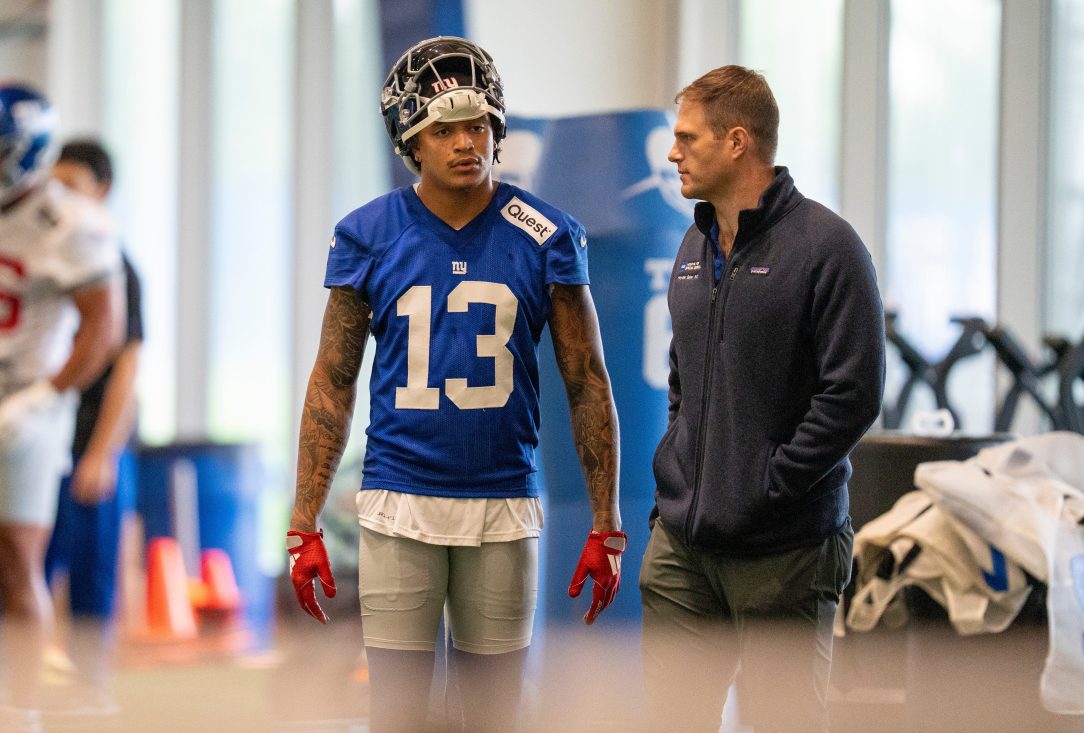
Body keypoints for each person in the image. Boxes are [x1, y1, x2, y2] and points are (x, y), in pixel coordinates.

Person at [286, 36, 625, 733]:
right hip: (397, 499)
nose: (467, 142)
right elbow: (331, 383)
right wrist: (303, 520)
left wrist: (607, 520)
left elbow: (587, 381)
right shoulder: (367, 233)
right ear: (411, 139)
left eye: (478, 125)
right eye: (444, 128)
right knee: (398, 713)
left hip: (502, 502)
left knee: (497, 716)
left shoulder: (546, 233)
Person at [639, 65, 885, 733]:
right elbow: (684, 375)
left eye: (688, 138)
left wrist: (769, 484)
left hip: (786, 551)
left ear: (738, 141)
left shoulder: (827, 249)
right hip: (683, 550)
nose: (672, 153)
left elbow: (854, 393)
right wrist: (682, 472)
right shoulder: (693, 245)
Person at [0, 84, 123, 727]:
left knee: (16, 559)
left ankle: (22, 709)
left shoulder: (71, 220)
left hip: (23, 400)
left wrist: (46, 396)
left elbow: (105, 327)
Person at [43, 138, 142, 708]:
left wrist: (101, 454)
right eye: (54, 187)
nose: (61, 200)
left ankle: (88, 698)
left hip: (91, 451)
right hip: (41, 447)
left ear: (101, 192)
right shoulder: (50, 259)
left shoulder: (117, 266)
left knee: (89, 587)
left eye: (72, 188)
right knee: (20, 575)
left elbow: (127, 368)